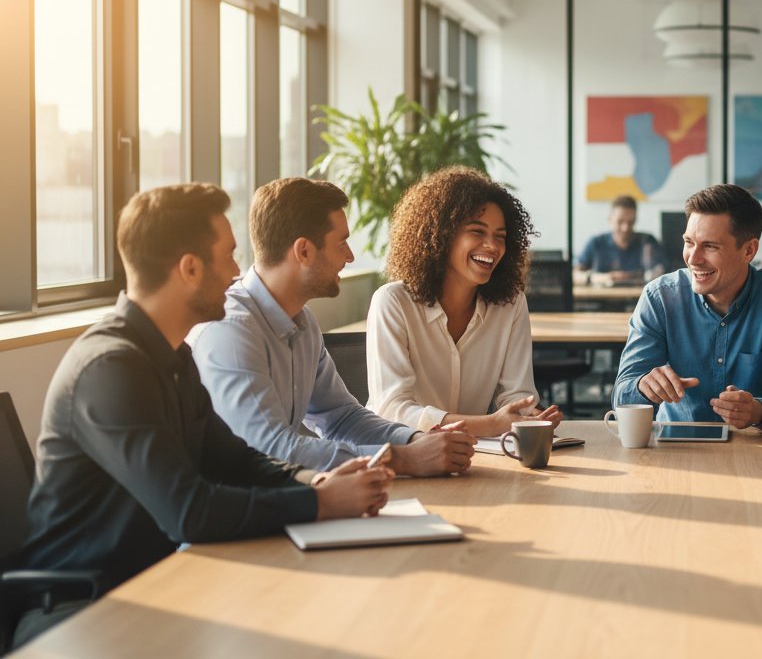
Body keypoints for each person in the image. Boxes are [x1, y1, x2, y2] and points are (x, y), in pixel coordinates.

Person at [11, 184, 390, 647]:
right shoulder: (110, 368)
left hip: (157, 587)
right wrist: (322, 504)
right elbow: (188, 510)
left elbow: (236, 459)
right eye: (229, 255)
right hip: (82, 609)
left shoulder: (172, 356)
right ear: (190, 268)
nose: (238, 271)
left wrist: (315, 483)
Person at [191, 178, 475, 475]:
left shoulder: (302, 322)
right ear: (303, 251)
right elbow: (270, 448)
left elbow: (341, 418)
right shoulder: (231, 331)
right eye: (342, 243)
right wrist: (403, 458)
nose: (349, 256)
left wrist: (418, 440)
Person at [366, 167, 563, 436]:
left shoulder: (510, 304)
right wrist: (490, 424)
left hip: (475, 457)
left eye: (500, 236)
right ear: (441, 235)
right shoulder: (393, 303)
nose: (492, 246)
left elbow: (517, 395)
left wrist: (528, 417)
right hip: (404, 455)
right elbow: (391, 409)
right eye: (477, 231)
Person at [612, 184, 762, 431]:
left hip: (756, 447)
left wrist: (758, 411)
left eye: (710, 246)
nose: (693, 259)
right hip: (678, 445)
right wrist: (643, 385)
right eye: (689, 242)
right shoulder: (659, 297)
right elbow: (621, 395)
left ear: (749, 250)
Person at [574, 195, 664, 285]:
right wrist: (600, 278)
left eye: (631, 222)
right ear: (610, 219)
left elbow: (661, 271)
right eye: (620, 221)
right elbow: (574, 274)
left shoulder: (647, 242)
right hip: (600, 297)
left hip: (638, 297)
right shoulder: (596, 243)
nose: (625, 228)